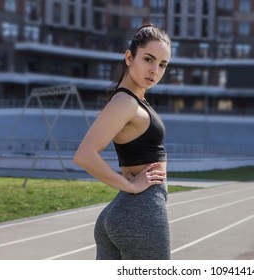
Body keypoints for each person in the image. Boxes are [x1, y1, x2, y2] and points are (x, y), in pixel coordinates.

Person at [73, 24, 171, 260]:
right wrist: (130, 186)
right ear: (129, 57)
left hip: (124, 211)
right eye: (148, 59)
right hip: (141, 212)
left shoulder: (134, 100)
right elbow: (84, 155)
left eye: (162, 65)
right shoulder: (125, 102)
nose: (155, 70)